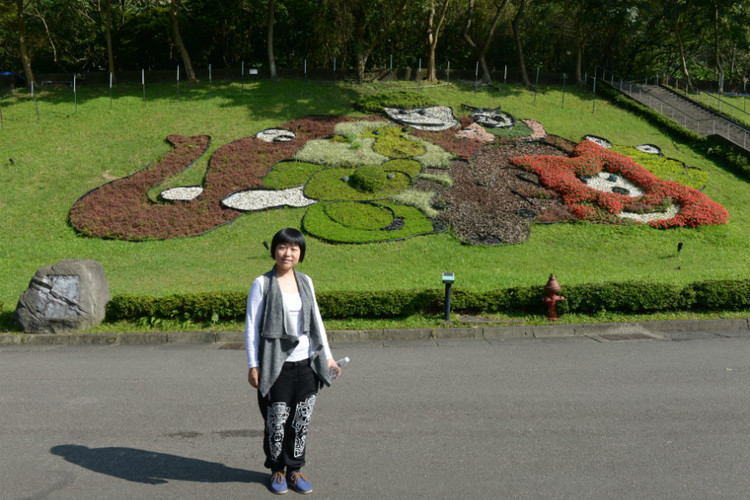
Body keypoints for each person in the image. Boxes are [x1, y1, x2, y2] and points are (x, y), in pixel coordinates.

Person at [245, 228, 340, 495]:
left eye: (294, 249)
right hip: (276, 366)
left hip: (307, 364)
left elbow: (316, 322)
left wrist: (329, 358)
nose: (288, 253)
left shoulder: (306, 281)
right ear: (274, 250)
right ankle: (277, 470)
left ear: (301, 253)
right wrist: (254, 365)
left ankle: (294, 470)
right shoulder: (262, 284)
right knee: (276, 422)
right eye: (283, 248)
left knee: (300, 421)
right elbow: (252, 328)